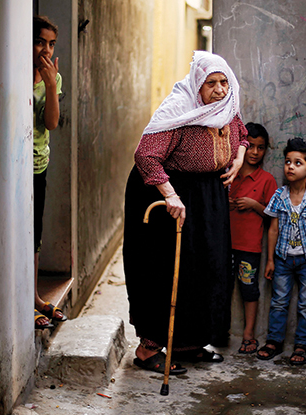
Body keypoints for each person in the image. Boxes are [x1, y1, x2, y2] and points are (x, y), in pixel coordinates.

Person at [124, 51, 249, 374]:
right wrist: (170, 195)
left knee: (206, 268)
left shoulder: (227, 107)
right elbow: (145, 156)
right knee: (166, 270)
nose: (219, 90)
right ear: (197, 86)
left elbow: (242, 134)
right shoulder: (179, 110)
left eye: (224, 82)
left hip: (208, 197)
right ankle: (148, 349)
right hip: (169, 194)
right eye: (211, 83)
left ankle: (188, 342)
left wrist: (237, 159)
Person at [256, 138, 306, 364]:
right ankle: (274, 341)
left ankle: (302, 345)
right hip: (282, 259)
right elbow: (273, 229)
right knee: (278, 302)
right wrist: (270, 260)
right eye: (288, 162)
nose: (290, 167)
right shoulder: (279, 195)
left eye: (298, 163)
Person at [229, 123, 277, 354]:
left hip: (249, 247)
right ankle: (217, 332)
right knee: (221, 287)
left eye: (261, 147)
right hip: (224, 244)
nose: (255, 152)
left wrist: (254, 205)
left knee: (249, 289)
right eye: (250, 146)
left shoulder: (267, 180)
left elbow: (273, 216)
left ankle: (248, 334)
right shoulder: (229, 174)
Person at [32, 15, 67, 329]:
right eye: (39, 42)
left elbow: (52, 123)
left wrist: (52, 84)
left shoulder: (52, 78)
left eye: (51, 44)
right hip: (11, 169)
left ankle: (34, 297)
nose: (46, 50)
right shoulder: (14, 71)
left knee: (34, 235)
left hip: (37, 164)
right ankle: (23, 299)